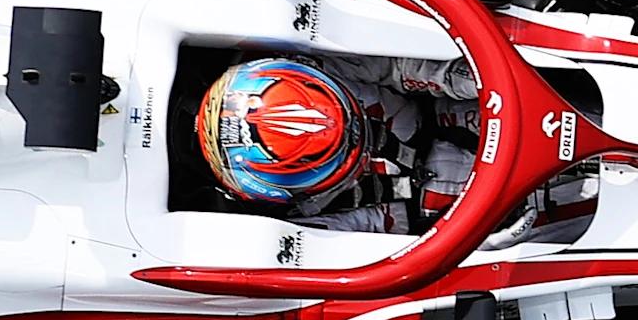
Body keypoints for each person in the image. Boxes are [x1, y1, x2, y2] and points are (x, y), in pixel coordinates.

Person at [191, 50, 504, 237]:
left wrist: (460, 75)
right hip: (463, 218)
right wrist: (475, 240)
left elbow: (395, 65)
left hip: (466, 110)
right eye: (337, 157)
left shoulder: (313, 73)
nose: (363, 144)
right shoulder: (308, 225)